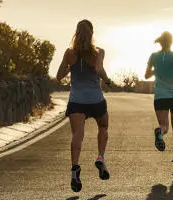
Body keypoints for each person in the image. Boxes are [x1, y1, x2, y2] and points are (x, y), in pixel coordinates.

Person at [56, 19, 113, 192]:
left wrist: (71, 67)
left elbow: (59, 76)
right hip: (96, 100)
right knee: (103, 126)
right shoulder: (99, 52)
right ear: (92, 34)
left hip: (76, 101)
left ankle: (75, 169)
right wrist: (108, 80)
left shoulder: (69, 53)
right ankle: (101, 158)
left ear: (76, 33)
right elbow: (99, 70)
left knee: (77, 135)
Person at [145, 31, 173, 163]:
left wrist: (156, 69)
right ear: (171, 42)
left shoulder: (154, 56)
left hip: (160, 96)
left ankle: (160, 132)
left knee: (164, 125)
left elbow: (146, 75)